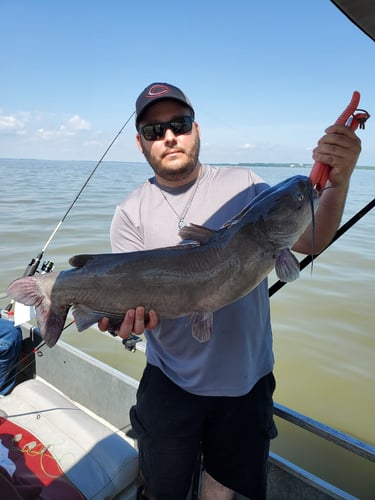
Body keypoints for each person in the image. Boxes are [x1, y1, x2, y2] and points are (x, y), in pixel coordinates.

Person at [99, 82, 361, 499]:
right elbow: (128, 311)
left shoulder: (248, 185)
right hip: (169, 383)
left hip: (247, 383)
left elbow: (309, 241)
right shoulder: (130, 212)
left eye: (179, 124)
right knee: (163, 488)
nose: (169, 136)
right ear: (140, 142)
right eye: (154, 130)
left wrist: (338, 182)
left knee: (225, 489)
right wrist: (126, 323)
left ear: (196, 129)